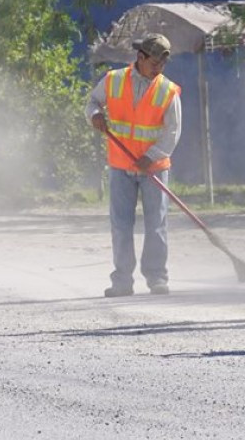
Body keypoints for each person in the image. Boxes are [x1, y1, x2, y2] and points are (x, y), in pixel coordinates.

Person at [86, 33, 182, 298]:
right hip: (120, 165)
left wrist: (151, 156)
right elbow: (92, 103)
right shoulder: (113, 80)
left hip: (154, 168)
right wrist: (95, 116)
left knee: (156, 224)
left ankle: (157, 278)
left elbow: (172, 131)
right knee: (121, 224)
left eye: (162, 64)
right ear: (140, 58)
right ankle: (122, 281)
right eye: (154, 64)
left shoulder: (168, 91)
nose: (158, 69)